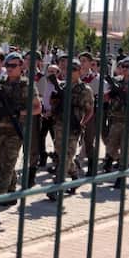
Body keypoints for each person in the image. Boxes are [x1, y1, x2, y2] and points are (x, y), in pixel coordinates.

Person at [0, 52, 41, 203]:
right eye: (7, 65)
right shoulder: (0, 84)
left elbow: (38, 109)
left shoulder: (27, 85)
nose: (10, 68)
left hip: (16, 131)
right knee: (1, 160)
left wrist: (20, 112)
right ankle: (11, 192)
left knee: (8, 164)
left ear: (21, 67)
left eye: (13, 66)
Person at [52, 59, 94, 197]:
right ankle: (75, 177)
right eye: (67, 69)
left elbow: (90, 111)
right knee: (61, 153)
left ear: (80, 71)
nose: (70, 73)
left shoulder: (85, 89)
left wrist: (82, 123)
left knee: (66, 156)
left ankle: (56, 187)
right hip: (59, 125)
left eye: (74, 70)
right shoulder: (62, 86)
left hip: (73, 127)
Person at [102, 57, 129, 184]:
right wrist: (109, 95)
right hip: (116, 119)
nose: (125, 69)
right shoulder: (117, 81)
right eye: (124, 66)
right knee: (110, 147)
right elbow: (107, 97)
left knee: (126, 148)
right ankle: (115, 161)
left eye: (128, 67)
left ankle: (121, 175)